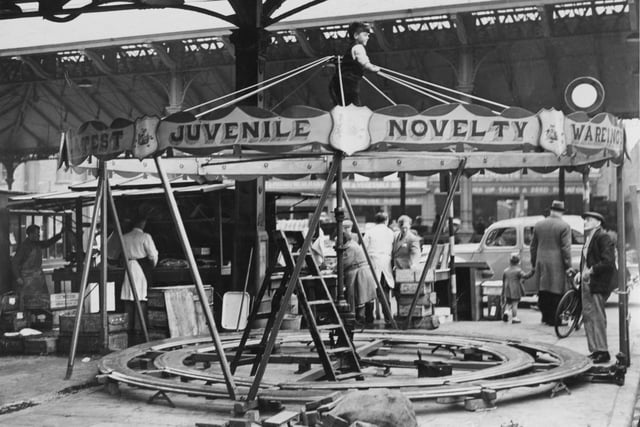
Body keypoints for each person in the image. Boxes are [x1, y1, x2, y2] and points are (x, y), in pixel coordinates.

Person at [576, 211, 617, 363]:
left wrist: (591, 271)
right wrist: (581, 273)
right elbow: (586, 260)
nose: (585, 222)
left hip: (597, 283)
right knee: (588, 316)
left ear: (598, 222)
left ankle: (603, 351)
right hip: (588, 282)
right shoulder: (589, 238)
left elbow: (608, 262)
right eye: (585, 219)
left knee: (597, 317)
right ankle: (594, 350)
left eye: (589, 219)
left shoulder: (602, 237)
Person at [530, 200, 573, 326]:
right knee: (556, 290)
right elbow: (566, 248)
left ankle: (545, 317)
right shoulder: (564, 226)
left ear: (551, 210)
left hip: (541, 261)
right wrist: (568, 266)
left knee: (543, 290)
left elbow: (533, 247)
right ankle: (554, 319)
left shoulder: (539, 225)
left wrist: (534, 262)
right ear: (561, 212)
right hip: (557, 263)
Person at [120, 216, 158, 335]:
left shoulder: (125, 237)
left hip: (129, 267)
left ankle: (128, 327)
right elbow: (152, 255)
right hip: (141, 268)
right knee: (141, 297)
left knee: (129, 298)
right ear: (143, 223)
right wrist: (152, 265)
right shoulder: (145, 236)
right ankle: (139, 328)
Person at [11, 224, 64, 309]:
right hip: (27, 280)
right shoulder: (24, 247)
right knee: (28, 303)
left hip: (38, 278)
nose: (39, 236)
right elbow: (14, 263)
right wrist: (18, 277)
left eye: (39, 234)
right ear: (31, 234)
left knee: (42, 302)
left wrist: (60, 235)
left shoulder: (37, 244)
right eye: (37, 234)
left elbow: (48, 243)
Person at [330, 21, 381, 106]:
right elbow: (364, 62)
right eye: (365, 35)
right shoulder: (358, 47)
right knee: (354, 105)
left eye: (368, 35)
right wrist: (374, 68)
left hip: (339, 82)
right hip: (348, 83)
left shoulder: (350, 48)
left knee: (343, 104)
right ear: (356, 36)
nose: (368, 38)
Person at [340, 230, 377, 325]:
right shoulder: (352, 244)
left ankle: (359, 318)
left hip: (359, 272)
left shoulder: (350, 247)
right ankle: (366, 318)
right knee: (363, 296)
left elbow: (346, 261)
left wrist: (334, 268)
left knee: (358, 296)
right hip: (361, 271)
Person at [363, 211, 395, 317]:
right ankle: (388, 316)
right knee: (384, 291)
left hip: (372, 262)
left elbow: (363, 248)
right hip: (386, 263)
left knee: (369, 292)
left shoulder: (370, 232)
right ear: (386, 221)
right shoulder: (390, 232)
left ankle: (368, 317)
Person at [501, 253, 534, 324]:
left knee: (508, 303)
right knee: (515, 304)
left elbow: (503, 280)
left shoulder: (505, 270)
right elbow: (525, 276)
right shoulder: (518, 271)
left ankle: (506, 312)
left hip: (507, 289)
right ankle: (514, 318)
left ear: (510, 262)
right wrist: (532, 272)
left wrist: (503, 291)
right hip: (515, 289)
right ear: (518, 262)